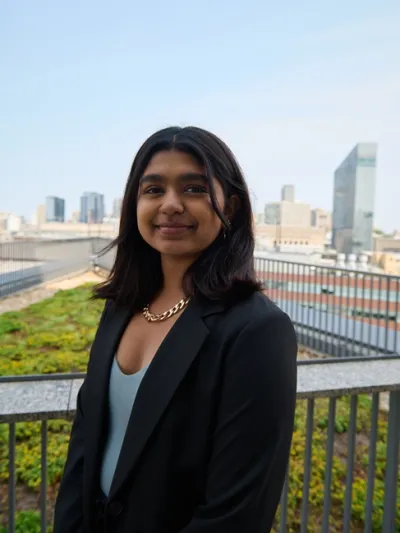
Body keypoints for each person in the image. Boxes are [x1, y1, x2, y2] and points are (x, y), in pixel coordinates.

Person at [53, 126, 298, 533]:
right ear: (134, 204)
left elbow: (237, 512)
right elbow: (84, 446)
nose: (170, 205)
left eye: (194, 189)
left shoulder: (257, 331)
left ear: (231, 207)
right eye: (152, 190)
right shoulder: (120, 308)